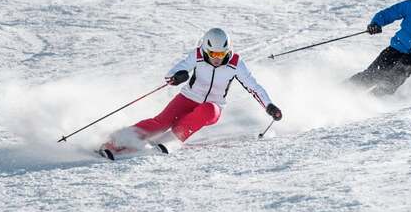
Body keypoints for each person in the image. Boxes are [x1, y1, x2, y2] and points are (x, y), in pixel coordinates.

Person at [100, 28, 282, 154]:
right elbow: (170, 74)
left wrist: (269, 106)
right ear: (205, 50)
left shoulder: (235, 63)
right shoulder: (197, 55)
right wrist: (176, 77)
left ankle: (168, 141)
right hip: (187, 98)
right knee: (161, 122)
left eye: (220, 54)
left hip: (213, 106)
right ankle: (116, 140)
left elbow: (254, 87)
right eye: (212, 54)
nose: (216, 58)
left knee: (207, 111)